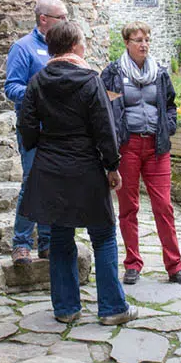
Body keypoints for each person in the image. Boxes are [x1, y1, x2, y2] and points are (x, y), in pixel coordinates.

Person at [18, 21, 138, 325]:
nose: (85, 47)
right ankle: (112, 308)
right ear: (74, 46)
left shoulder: (37, 81)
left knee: (60, 235)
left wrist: (41, 146)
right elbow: (104, 127)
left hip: (51, 165)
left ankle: (66, 308)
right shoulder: (90, 80)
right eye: (83, 42)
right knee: (103, 235)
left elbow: (26, 126)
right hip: (86, 166)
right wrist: (112, 165)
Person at [101, 22, 181, 286]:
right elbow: (105, 108)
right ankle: (132, 263)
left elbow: (170, 104)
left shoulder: (159, 73)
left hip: (156, 146)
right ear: (126, 43)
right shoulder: (113, 73)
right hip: (127, 147)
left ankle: (175, 266)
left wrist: (169, 126)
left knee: (163, 206)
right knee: (128, 207)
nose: (144, 44)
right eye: (138, 40)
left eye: (147, 39)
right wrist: (112, 139)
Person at [4, 0, 69, 265]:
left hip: (60, 130)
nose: (66, 22)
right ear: (44, 19)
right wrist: (43, 93)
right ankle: (21, 243)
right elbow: (12, 88)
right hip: (34, 128)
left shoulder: (63, 48)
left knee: (53, 185)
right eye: (61, 17)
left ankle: (47, 242)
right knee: (32, 183)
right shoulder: (23, 48)